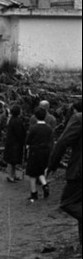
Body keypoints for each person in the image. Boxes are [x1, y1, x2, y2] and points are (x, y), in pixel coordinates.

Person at [47, 101, 82, 248]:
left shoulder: (79, 118)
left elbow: (62, 142)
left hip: (80, 172)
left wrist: (52, 165)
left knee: (68, 203)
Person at [25, 107, 53, 202]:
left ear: (35, 116)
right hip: (45, 151)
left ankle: (34, 193)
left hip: (35, 151)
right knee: (41, 170)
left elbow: (28, 140)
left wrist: (27, 146)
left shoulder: (33, 128)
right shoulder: (49, 128)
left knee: (32, 173)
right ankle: (45, 185)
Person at [3, 105, 27, 182]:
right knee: (11, 160)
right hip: (14, 144)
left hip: (12, 143)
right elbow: (19, 133)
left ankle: (13, 175)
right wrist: (23, 140)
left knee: (13, 161)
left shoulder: (13, 119)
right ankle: (10, 176)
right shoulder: (16, 121)